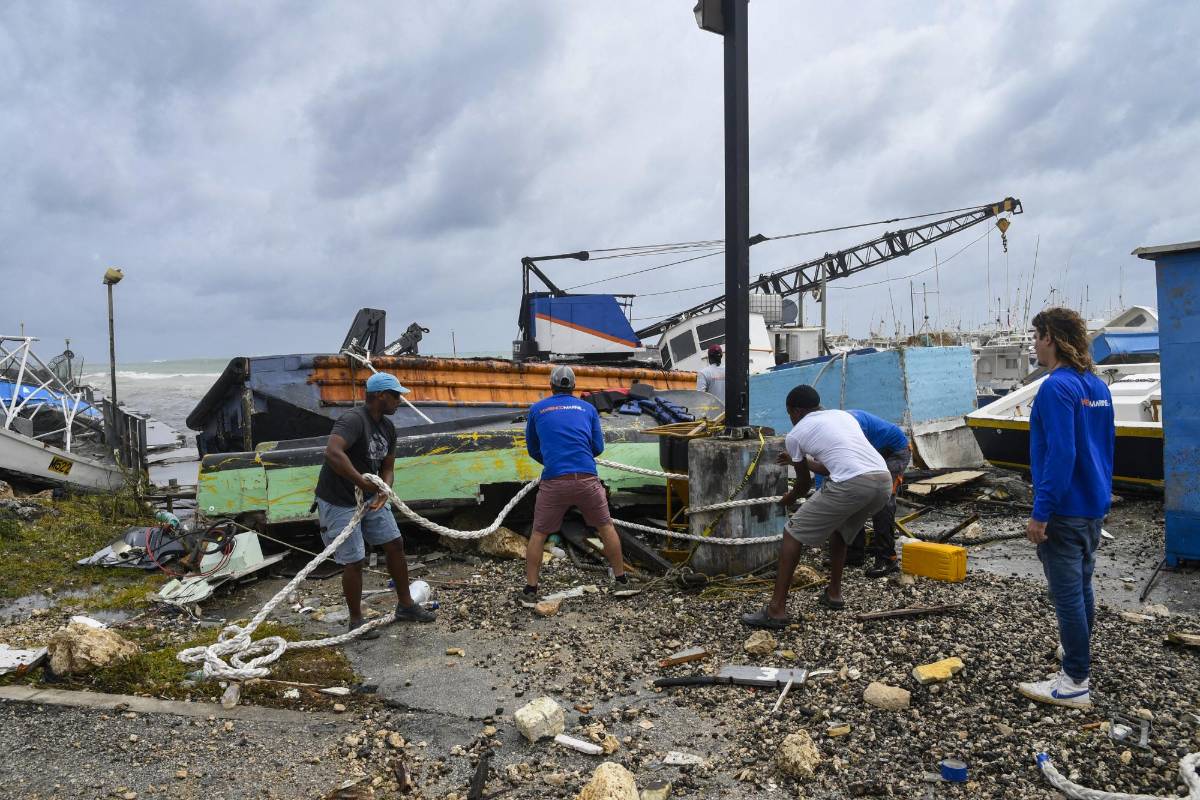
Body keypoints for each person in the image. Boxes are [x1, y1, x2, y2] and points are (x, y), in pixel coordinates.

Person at [1017, 308, 1114, 709]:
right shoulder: (1096, 385)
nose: (1034, 344)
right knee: (1083, 585)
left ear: (1051, 338)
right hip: (1093, 504)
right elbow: (1105, 445)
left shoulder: (1056, 388)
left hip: (1065, 508)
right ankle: (1076, 652)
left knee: (1067, 594)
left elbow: (1061, 454)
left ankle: (1075, 679)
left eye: (1037, 336)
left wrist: (1041, 512)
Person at [741, 385, 893, 628]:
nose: (790, 419)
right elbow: (832, 466)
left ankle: (776, 609)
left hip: (852, 484)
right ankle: (834, 594)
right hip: (882, 481)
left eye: (789, 413)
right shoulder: (843, 416)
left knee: (792, 532)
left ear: (796, 410)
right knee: (841, 531)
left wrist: (786, 501)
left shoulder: (796, 435)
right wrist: (796, 461)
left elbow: (803, 485)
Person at [314, 372, 435, 639]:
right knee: (354, 559)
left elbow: (388, 467)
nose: (400, 401)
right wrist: (362, 482)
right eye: (396, 396)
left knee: (394, 543)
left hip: (371, 495)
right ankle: (355, 622)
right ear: (380, 395)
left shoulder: (388, 428)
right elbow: (333, 452)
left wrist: (383, 488)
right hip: (339, 499)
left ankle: (406, 605)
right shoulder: (354, 420)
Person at [524, 365, 628, 598]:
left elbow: (533, 449)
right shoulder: (588, 408)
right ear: (573, 386)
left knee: (539, 533)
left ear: (550, 386)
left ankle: (530, 590)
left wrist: (553, 461)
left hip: (554, 481)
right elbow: (598, 448)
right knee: (605, 526)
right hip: (587, 479)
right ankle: (622, 581)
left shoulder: (537, 409)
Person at [841, 410, 911, 577]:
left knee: (883, 502)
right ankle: (855, 553)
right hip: (874, 451)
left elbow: (857, 456)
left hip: (893, 452)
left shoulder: (853, 425)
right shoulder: (827, 431)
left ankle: (888, 558)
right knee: (853, 496)